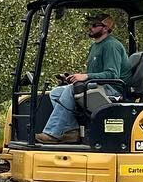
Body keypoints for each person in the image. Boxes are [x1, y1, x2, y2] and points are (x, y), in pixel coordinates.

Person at [37, 13, 129, 143]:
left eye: (94, 25)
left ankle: (52, 133)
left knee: (71, 89)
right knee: (56, 93)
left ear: (105, 28)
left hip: (112, 89)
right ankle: (72, 130)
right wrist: (74, 77)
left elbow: (112, 74)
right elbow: (95, 74)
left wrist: (86, 76)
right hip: (98, 85)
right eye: (90, 25)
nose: (90, 27)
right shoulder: (95, 46)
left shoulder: (111, 46)